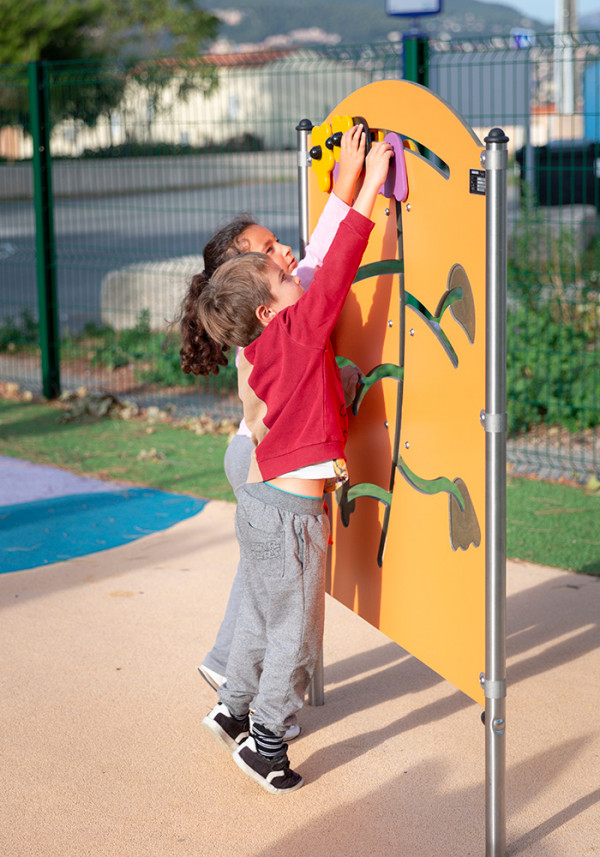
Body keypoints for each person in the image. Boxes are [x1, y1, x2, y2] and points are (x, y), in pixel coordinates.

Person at [180, 138, 393, 794]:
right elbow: (337, 267)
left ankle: (233, 708)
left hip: (261, 501)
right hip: (290, 515)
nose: (296, 275)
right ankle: (266, 742)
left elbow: (318, 289)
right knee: (295, 633)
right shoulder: (295, 335)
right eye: (284, 278)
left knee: (258, 614)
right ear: (271, 310)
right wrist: (368, 186)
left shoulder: (260, 346)